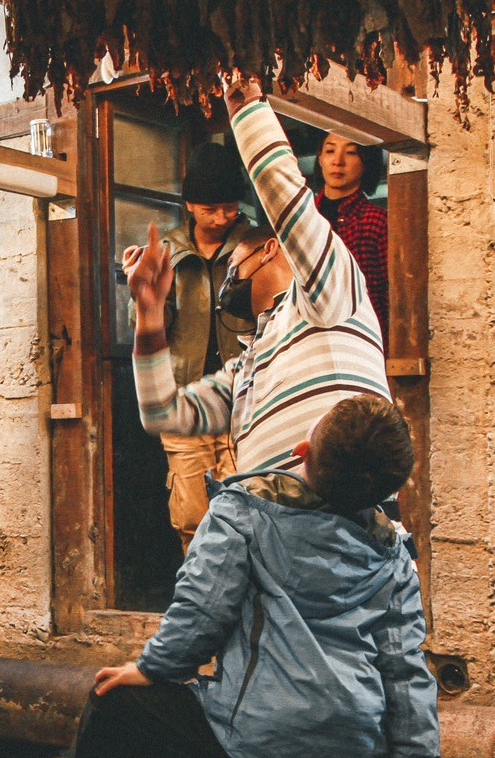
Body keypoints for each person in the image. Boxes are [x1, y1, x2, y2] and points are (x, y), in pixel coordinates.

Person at [0, 395, 457, 758]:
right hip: (352, 744)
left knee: (115, 704)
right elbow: (405, 660)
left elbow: (202, 609)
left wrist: (153, 669)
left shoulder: (247, 509)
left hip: (258, 730)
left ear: (302, 451)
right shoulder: (393, 546)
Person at [125, 76, 390, 476]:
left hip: (342, 525)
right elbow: (163, 413)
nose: (229, 277)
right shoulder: (249, 363)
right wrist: (148, 313)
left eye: (236, 265)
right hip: (272, 526)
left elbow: (285, 197)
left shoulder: (329, 293)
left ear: (269, 250)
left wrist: (244, 104)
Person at [124, 143, 257, 552]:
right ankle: (202, 600)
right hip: (186, 398)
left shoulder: (257, 246)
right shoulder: (166, 251)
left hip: (246, 397)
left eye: (229, 207)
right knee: (191, 514)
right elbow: (144, 326)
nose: (220, 218)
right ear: (189, 205)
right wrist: (143, 291)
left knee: (253, 509)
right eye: (209, 208)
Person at [316, 132, 390, 346]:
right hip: (312, 338)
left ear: (366, 162)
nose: (337, 161)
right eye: (330, 151)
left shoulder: (376, 221)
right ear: (320, 158)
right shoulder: (304, 217)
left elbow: (389, 295)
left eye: (351, 153)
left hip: (362, 338)